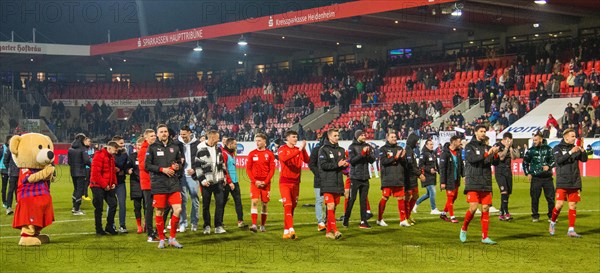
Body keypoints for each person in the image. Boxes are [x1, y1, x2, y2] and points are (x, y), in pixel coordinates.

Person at [145, 124, 184, 249]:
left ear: (168, 133)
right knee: (160, 211)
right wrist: (162, 169)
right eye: (161, 132)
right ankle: (161, 238)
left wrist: (178, 167)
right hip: (159, 184)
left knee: (178, 210)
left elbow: (179, 162)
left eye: (165, 131)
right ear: (157, 134)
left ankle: (172, 238)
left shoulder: (175, 147)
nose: (164, 133)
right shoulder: (152, 148)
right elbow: (147, 166)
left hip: (173, 183)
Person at [460, 125, 500, 245]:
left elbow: (495, 162)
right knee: (473, 208)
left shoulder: (487, 147)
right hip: (473, 181)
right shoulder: (469, 146)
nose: (483, 133)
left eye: (484, 131)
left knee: (486, 208)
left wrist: (495, 154)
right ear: (475, 132)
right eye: (481, 131)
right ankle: (464, 228)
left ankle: (485, 236)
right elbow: (472, 159)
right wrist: (488, 154)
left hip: (485, 181)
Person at [550, 129, 587, 237]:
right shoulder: (557, 148)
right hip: (562, 180)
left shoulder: (575, 148)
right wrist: (571, 152)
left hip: (574, 180)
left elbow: (584, 159)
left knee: (573, 205)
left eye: (575, 136)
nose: (574, 138)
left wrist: (582, 149)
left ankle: (571, 230)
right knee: (559, 204)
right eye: (572, 136)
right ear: (566, 137)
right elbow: (559, 160)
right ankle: (552, 223)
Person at [194, 130, 233, 235]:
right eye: (217, 137)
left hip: (218, 182)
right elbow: (197, 167)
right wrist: (202, 180)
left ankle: (218, 226)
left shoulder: (218, 149)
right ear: (211, 138)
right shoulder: (201, 150)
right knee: (206, 206)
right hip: (207, 183)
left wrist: (224, 177)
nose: (219, 139)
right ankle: (206, 226)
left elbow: (222, 164)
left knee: (220, 204)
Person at [277, 130, 309, 239]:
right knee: (288, 205)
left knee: (293, 207)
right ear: (288, 138)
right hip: (285, 182)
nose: (295, 139)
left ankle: (286, 230)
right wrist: (299, 150)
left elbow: (307, 160)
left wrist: (303, 150)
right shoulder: (282, 149)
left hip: (296, 182)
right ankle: (291, 229)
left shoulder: (298, 150)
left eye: (296, 137)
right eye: (293, 137)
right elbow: (284, 159)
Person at [318, 128, 348, 239]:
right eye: (335, 135)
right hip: (327, 183)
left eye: (337, 135)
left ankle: (328, 232)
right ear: (329, 137)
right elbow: (324, 165)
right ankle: (335, 231)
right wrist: (338, 165)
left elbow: (342, 167)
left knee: (333, 208)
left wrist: (345, 167)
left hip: (338, 183)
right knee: (330, 205)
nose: (337, 137)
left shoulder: (341, 149)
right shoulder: (323, 150)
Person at [343, 130, 376, 229]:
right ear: (357, 136)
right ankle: (346, 219)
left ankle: (363, 221)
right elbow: (352, 161)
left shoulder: (367, 146)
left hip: (365, 177)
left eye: (364, 134)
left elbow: (372, 160)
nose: (364, 136)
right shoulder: (352, 147)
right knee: (352, 199)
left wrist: (368, 154)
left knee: (363, 200)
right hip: (355, 177)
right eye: (362, 135)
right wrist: (362, 153)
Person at [376, 131, 409, 227]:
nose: (394, 138)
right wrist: (395, 157)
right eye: (392, 137)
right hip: (388, 178)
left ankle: (402, 220)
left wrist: (402, 158)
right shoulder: (383, 149)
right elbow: (384, 161)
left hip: (398, 177)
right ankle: (379, 219)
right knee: (385, 198)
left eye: (395, 137)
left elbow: (404, 164)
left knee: (401, 198)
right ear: (388, 138)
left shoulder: (400, 148)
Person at [523, 131, 555, 222]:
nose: (534, 142)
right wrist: (528, 173)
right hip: (536, 177)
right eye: (534, 140)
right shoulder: (531, 150)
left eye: (536, 140)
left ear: (541, 139)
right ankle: (535, 216)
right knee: (535, 197)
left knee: (550, 198)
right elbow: (525, 162)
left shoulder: (549, 149)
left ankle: (551, 216)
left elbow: (554, 160)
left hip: (547, 178)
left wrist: (549, 166)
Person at [246, 133, 276, 233]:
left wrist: (266, 181)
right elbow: (248, 169)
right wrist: (255, 181)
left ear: (264, 141)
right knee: (254, 202)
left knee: (264, 204)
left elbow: (272, 170)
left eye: (259, 140)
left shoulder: (270, 154)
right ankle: (254, 225)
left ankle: (262, 225)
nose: (257, 142)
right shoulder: (251, 153)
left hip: (266, 183)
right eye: (256, 140)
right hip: (255, 183)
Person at [90, 141, 119, 235]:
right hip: (97, 185)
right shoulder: (99, 155)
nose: (115, 152)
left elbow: (112, 172)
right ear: (109, 148)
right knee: (99, 208)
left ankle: (109, 226)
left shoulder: (111, 158)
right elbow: (95, 173)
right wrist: (104, 185)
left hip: (107, 186)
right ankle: (98, 229)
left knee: (113, 204)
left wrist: (114, 183)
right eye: (115, 150)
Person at [178, 126, 200, 232]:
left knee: (195, 199)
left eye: (184, 134)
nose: (183, 136)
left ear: (190, 133)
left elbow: (201, 159)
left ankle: (194, 222)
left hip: (193, 176)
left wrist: (195, 169)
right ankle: (183, 223)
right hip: (181, 176)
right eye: (181, 134)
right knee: (182, 200)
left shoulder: (198, 144)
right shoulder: (177, 144)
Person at [222, 137, 247, 228]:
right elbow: (224, 169)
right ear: (230, 144)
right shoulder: (224, 154)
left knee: (238, 202)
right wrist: (229, 182)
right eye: (235, 144)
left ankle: (240, 221)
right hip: (228, 183)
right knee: (222, 202)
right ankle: (219, 222)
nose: (236, 146)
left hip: (235, 181)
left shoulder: (231, 153)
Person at [139, 129, 158, 242]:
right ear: (146, 138)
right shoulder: (144, 150)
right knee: (149, 207)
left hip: (155, 182)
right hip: (147, 183)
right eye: (151, 136)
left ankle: (155, 231)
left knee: (162, 206)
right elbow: (143, 166)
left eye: (154, 135)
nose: (154, 137)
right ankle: (150, 233)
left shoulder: (154, 148)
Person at [439, 136, 464, 223]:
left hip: (456, 179)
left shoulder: (458, 152)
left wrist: (463, 175)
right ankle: (452, 216)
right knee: (450, 197)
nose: (460, 143)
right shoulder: (445, 153)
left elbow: (461, 165)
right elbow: (442, 169)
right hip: (448, 179)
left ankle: (443, 213)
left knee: (454, 197)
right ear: (453, 142)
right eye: (459, 141)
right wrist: (442, 182)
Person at [494, 132, 518, 221]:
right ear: (504, 139)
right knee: (504, 192)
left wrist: (511, 148)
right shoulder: (498, 145)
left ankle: (501, 212)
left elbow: (515, 157)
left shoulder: (512, 146)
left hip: (508, 171)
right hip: (499, 171)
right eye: (508, 140)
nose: (510, 142)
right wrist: (506, 147)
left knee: (507, 193)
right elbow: (501, 157)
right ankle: (506, 213)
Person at [414, 139, 440, 215]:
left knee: (428, 194)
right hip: (426, 176)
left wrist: (439, 171)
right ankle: (433, 209)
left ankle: (415, 204)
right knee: (433, 192)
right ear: (426, 145)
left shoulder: (433, 153)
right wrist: (429, 170)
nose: (432, 146)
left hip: (433, 176)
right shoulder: (424, 154)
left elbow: (436, 165)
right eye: (430, 144)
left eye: (432, 144)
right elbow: (420, 165)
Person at [67, 133, 91, 215]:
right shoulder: (82, 149)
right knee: (80, 190)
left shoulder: (70, 149)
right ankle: (77, 209)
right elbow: (86, 161)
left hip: (73, 172)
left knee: (76, 189)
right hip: (81, 172)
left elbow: (69, 162)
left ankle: (74, 206)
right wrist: (92, 165)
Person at [309, 134, 327, 232]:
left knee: (330, 202)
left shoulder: (334, 149)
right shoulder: (316, 150)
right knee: (319, 201)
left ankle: (327, 220)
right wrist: (318, 174)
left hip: (330, 179)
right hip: (319, 180)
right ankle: (320, 222)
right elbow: (311, 164)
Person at [405, 133, 422, 225]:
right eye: (416, 141)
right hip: (409, 177)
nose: (417, 143)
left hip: (413, 177)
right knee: (408, 197)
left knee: (415, 195)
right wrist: (419, 174)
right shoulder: (408, 150)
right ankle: (405, 216)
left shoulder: (411, 150)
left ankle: (408, 214)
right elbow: (410, 165)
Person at [129, 138, 144, 234]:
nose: (139, 147)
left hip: (146, 183)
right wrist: (128, 170)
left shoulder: (148, 156)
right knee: (137, 206)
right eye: (138, 145)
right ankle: (139, 226)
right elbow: (127, 166)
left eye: (141, 145)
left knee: (148, 206)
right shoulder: (132, 156)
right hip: (136, 184)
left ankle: (147, 224)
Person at [1, 136, 10, 209]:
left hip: (10, 170)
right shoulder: (2, 148)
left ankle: (10, 201)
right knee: (4, 186)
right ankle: (4, 202)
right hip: (4, 170)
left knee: (12, 187)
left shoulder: (11, 148)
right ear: (7, 141)